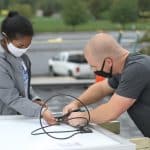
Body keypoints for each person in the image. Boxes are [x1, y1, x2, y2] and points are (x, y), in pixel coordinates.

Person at [63, 33, 150, 137]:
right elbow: (101, 89)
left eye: (94, 66)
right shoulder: (125, 69)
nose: (94, 71)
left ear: (108, 62)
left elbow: (111, 111)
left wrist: (82, 117)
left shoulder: (136, 69)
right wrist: (76, 104)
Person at [0, 11, 56, 124]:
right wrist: (41, 111)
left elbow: (24, 84)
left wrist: (35, 99)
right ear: (5, 39)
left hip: (20, 117)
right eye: (20, 45)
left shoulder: (22, 58)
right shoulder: (1, 63)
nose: (24, 49)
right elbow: (12, 98)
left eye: (28, 45)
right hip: (5, 120)